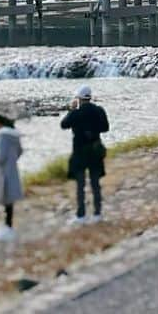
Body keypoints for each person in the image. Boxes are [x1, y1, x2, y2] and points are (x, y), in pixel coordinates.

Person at [60, 84, 110, 224]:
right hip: (95, 151)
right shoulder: (99, 110)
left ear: (79, 99)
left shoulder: (76, 113)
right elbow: (106, 128)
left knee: (80, 185)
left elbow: (63, 125)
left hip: (79, 153)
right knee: (95, 183)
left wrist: (71, 110)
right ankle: (97, 214)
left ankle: (81, 215)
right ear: (90, 97)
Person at [0, 114, 23, 241]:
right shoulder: (14, 134)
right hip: (12, 169)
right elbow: (20, 151)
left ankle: (7, 228)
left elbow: (0, 156)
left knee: (4, 197)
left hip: (2, 171)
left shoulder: (1, 135)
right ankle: (9, 225)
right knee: (9, 200)